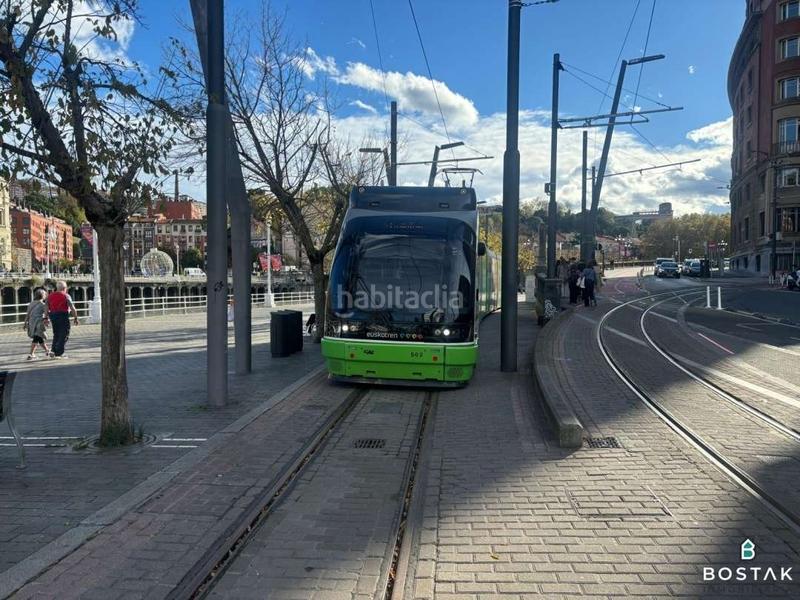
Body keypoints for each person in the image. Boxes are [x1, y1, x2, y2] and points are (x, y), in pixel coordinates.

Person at [47, 281, 79, 358]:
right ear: (65, 288)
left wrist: (45, 317)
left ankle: (53, 351)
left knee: (56, 334)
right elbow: (72, 307)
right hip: (62, 315)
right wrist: (75, 318)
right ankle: (59, 353)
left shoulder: (50, 296)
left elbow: (46, 307)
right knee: (64, 334)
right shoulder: (66, 296)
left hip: (53, 315)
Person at [24, 289, 50, 360]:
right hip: (39, 323)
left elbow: (28, 314)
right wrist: (47, 321)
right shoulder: (43, 304)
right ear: (43, 296)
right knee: (37, 338)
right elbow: (46, 314)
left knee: (39, 337)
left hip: (32, 323)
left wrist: (25, 323)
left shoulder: (31, 303)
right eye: (45, 294)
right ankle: (31, 354)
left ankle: (47, 350)